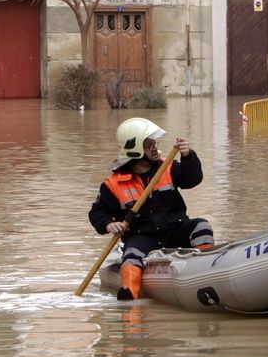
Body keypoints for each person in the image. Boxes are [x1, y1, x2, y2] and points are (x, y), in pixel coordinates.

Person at [89, 118, 215, 300]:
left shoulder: (168, 166)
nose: (155, 148)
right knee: (132, 254)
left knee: (201, 226)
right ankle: (128, 294)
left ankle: (207, 271)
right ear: (136, 150)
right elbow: (97, 212)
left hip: (175, 229)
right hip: (142, 236)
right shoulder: (112, 183)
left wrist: (188, 156)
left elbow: (192, 179)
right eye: (149, 145)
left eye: (155, 143)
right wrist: (109, 224)